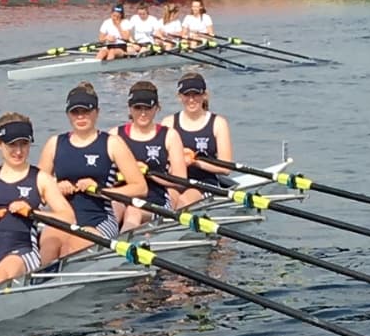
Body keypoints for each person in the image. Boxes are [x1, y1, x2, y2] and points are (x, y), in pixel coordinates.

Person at [0, 113, 75, 302]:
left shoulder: (41, 179)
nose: (18, 151)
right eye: (12, 145)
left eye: (23, 144)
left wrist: (33, 213)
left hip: (23, 249)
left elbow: (68, 218)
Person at [38, 82, 147, 262]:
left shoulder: (112, 143)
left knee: (71, 247)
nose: (81, 117)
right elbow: (37, 192)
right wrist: (54, 188)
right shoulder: (54, 144)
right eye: (75, 112)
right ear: (68, 114)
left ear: (97, 112)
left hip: (99, 219)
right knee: (49, 245)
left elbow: (140, 187)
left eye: (86, 111)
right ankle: (38, 283)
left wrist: (101, 191)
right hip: (63, 217)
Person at [108, 81, 201, 229]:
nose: (143, 113)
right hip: (123, 193)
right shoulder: (114, 135)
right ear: (130, 108)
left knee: (133, 211)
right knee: (112, 208)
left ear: (157, 108)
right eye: (138, 108)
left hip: (156, 198)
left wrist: (149, 173)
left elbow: (181, 180)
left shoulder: (169, 135)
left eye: (148, 108)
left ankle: (121, 248)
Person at [160, 72, 234, 189]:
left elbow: (226, 168)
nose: (191, 99)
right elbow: (161, 161)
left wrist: (195, 162)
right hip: (174, 182)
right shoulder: (168, 123)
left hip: (206, 184)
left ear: (205, 95)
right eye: (186, 95)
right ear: (179, 96)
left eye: (196, 94)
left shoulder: (218, 123)